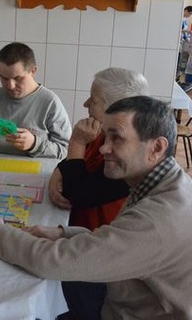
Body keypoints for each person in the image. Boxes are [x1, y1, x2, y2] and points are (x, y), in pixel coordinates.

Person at [0, 96, 192, 319]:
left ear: (156, 148)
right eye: (105, 136)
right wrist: (63, 233)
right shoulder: (164, 180)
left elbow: (52, 262)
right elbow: (119, 241)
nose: (102, 148)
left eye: (116, 138)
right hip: (140, 298)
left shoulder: (160, 217)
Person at [48, 68, 148, 320]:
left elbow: (77, 193)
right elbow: (76, 168)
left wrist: (76, 142)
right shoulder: (105, 134)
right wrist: (57, 173)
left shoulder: (129, 156)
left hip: (103, 264)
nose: (85, 104)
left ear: (115, 108)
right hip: (82, 237)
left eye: (93, 100)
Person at [0, 42, 71, 158]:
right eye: (4, 78)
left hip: (27, 172)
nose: (10, 86)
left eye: (18, 78)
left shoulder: (50, 103)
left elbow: (66, 152)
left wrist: (34, 144)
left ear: (33, 71)